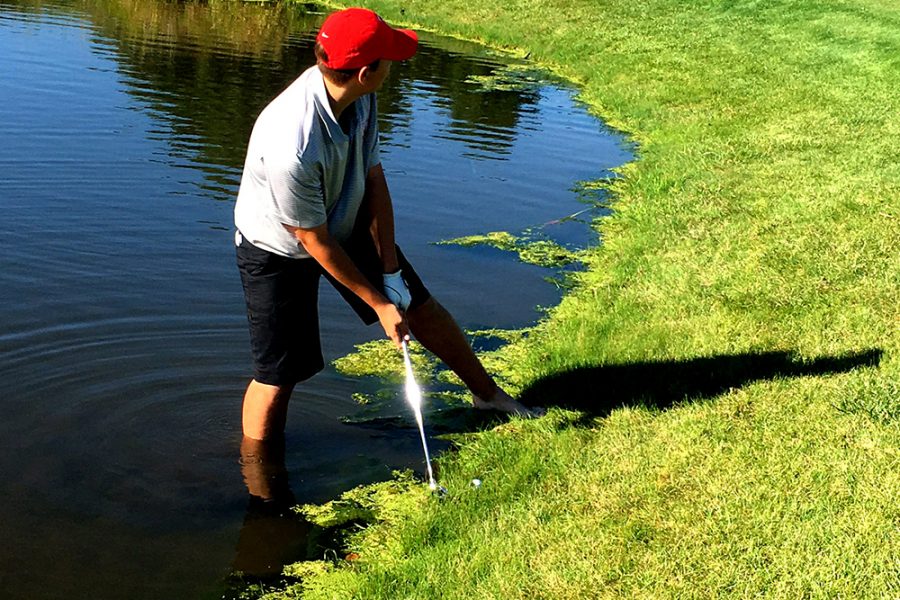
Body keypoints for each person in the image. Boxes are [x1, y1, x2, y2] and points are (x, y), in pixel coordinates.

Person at [234, 8, 541, 441]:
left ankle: (487, 396)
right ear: (364, 72)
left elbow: (374, 179)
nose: (394, 67)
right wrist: (379, 305)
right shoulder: (292, 143)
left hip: (343, 215)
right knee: (279, 373)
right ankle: (260, 480)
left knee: (420, 307)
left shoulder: (361, 97)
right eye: (388, 59)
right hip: (278, 248)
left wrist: (391, 272)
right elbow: (312, 239)